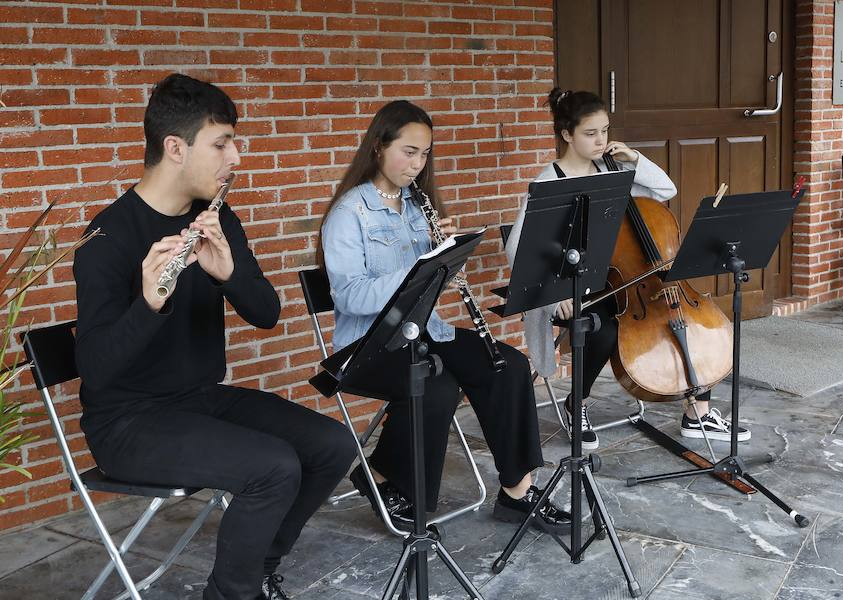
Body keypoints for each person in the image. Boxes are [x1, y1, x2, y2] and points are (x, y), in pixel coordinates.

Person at [73, 73, 356, 600]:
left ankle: (254, 568)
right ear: (175, 148)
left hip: (199, 400)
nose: (236, 157)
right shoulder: (107, 238)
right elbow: (95, 368)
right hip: (126, 422)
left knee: (332, 445)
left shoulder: (217, 220)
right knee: (273, 468)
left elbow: (267, 314)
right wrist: (149, 303)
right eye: (222, 143)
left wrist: (229, 274)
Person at [319, 99, 571, 534]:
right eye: (408, 152)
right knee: (436, 383)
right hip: (368, 346)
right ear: (379, 146)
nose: (418, 164)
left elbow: (426, 287)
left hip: (422, 332)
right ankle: (388, 479)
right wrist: (420, 271)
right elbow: (351, 296)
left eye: (424, 154)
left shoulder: (418, 206)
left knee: (508, 366)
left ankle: (517, 491)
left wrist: (445, 263)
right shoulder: (349, 213)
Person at [506, 87, 750, 451]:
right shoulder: (548, 183)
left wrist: (635, 158)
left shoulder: (614, 169)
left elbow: (665, 190)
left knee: (686, 316)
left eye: (605, 130)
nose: (600, 140)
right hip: (576, 287)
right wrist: (554, 295)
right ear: (567, 134)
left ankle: (697, 413)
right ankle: (577, 404)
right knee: (602, 330)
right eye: (590, 133)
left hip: (625, 279)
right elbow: (519, 249)